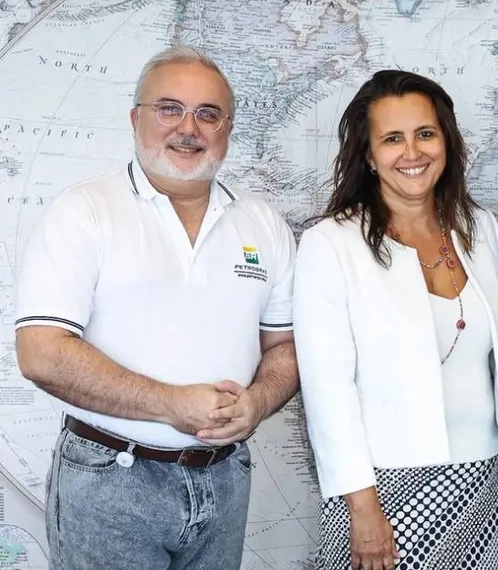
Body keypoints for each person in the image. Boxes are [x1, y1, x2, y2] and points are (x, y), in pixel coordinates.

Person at [13, 46, 300, 569]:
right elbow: (42, 354)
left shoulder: (264, 225)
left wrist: (258, 402)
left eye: (208, 114)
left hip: (225, 478)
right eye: (169, 108)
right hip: (108, 482)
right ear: (135, 118)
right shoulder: (85, 213)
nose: (188, 127)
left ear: (227, 128)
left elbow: (283, 347)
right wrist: (171, 404)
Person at [292, 69, 498, 570]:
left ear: (447, 142)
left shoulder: (478, 227)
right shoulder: (332, 244)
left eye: (425, 134)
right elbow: (328, 390)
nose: (412, 153)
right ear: (369, 156)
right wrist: (361, 506)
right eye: (392, 139)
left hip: (478, 475)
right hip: (384, 485)